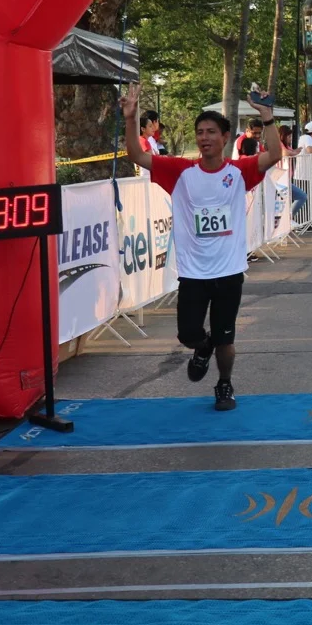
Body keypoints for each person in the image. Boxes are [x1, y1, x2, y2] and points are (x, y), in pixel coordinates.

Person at [122, 84, 279, 412]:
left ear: (225, 137)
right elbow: (136, 156)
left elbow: (274, 155)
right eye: (199, 132)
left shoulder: (239, 172)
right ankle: (202, 347)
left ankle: (224, 384)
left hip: (229, 272)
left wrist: (266, 116)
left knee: (226, 339)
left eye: (211, 132)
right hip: (194, 273)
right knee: (188, 334)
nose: (204, 137)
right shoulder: (179, 171)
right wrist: (131, 117)